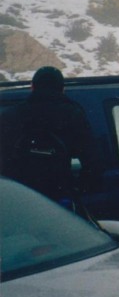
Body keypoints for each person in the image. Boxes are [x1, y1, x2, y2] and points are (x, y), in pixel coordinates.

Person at [0, 66, 97, 216]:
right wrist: (79, 189)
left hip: (18, 197)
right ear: (62, 89)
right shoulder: (73, 115)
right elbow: (92, 161)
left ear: (32, 87)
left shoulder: (10, 116)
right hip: (58, 196)